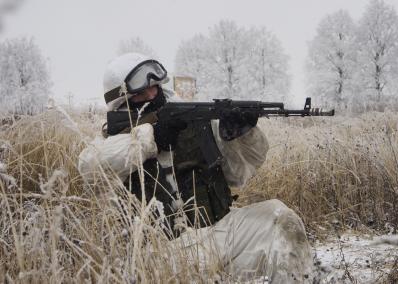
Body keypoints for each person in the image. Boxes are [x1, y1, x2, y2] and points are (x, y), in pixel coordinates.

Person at [78, 53, 313, 283]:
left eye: (155, 87)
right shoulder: (111, 139)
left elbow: (238, 174)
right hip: (159, 256)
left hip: (217, 235)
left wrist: (241, 134)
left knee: (280, 218)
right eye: (141, 93)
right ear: (122, 100)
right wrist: (151, 140)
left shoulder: (192, 121)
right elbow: (89, 167)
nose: (152, 93)